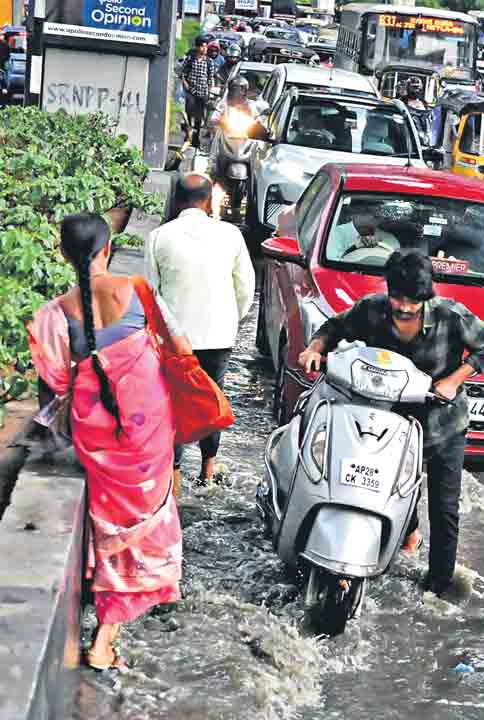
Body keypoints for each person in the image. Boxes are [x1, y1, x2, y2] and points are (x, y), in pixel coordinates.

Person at [27, 214, 188, 671]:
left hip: (93, 440)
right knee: (143, 529)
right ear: (108, 248)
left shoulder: (53, 314)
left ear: (62, 253)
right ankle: (104, 640)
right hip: (146, 437)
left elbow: (56, 384)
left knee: (106, 525)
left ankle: (101, 620)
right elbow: (180, 348)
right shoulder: (138, 291)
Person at [297, 250, 484, 596]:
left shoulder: (451, 316)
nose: (404, 308)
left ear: (426, 297)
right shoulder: (371, 310)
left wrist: (454, 379)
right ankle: (403, 534)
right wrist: (315, 349)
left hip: (442, 426)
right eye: (398, 298)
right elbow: (333, 327)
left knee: (444, 507)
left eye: (413, 301)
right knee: (383, 491)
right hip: (388, 423)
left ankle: (436, 588)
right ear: (388, 290)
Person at [144, 174, 254, 484]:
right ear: (209, 201)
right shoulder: (230, 234)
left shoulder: (158, 237)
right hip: (218, 333)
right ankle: (208, 470)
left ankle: (174, 475)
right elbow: (245, 285)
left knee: (173, 400)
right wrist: (232, 318)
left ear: (178, 200)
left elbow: (151, 294)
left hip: (174, 338)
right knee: (212, 398)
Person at [181, 36, 216, 145]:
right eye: (202, 47)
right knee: (189, 112)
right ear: (197, 47)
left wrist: (209, 91)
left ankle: (196, 138)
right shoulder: (190, 59)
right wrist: (185, 83)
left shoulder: (209, 62)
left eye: (206, 47)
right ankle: (188, 133)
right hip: (191, 91)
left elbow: (210, 78)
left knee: (199, 117)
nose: (204, 49)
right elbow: (183, 73)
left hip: (203, 93)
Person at [328, 210, 400, 260]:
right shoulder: (336, 234)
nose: (377, 215)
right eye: (368, 211)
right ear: (353, 215)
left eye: (378, 215)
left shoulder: (388, 238)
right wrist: (355, 247)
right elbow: (333, 261)